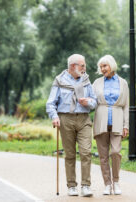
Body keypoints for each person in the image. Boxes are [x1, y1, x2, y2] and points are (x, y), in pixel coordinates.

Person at [46, 54, 97, 197]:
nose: (84, 68)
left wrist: (89, 102)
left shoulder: (86, 80)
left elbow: (94, 101)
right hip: (66, 119)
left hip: (84, 119)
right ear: (72, 66)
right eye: (82, 65)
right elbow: (50, 103)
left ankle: (86, 186)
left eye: (84, 65)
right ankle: (71, 186)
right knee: (70, 154)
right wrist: (54, 116)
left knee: (86, 152)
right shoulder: (59, 81)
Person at [92, 55, 129, 195]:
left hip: (118, 120)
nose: (102, 69)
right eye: (101, 67)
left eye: (105, 66)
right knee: (102, 155)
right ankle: (107, 184)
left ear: (112, 66)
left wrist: (126, 125)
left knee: (115, 152)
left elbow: (126, 105)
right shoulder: (96, 82)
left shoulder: (123, 82)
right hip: (101, 120)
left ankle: (116, 181)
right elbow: (91, 100)